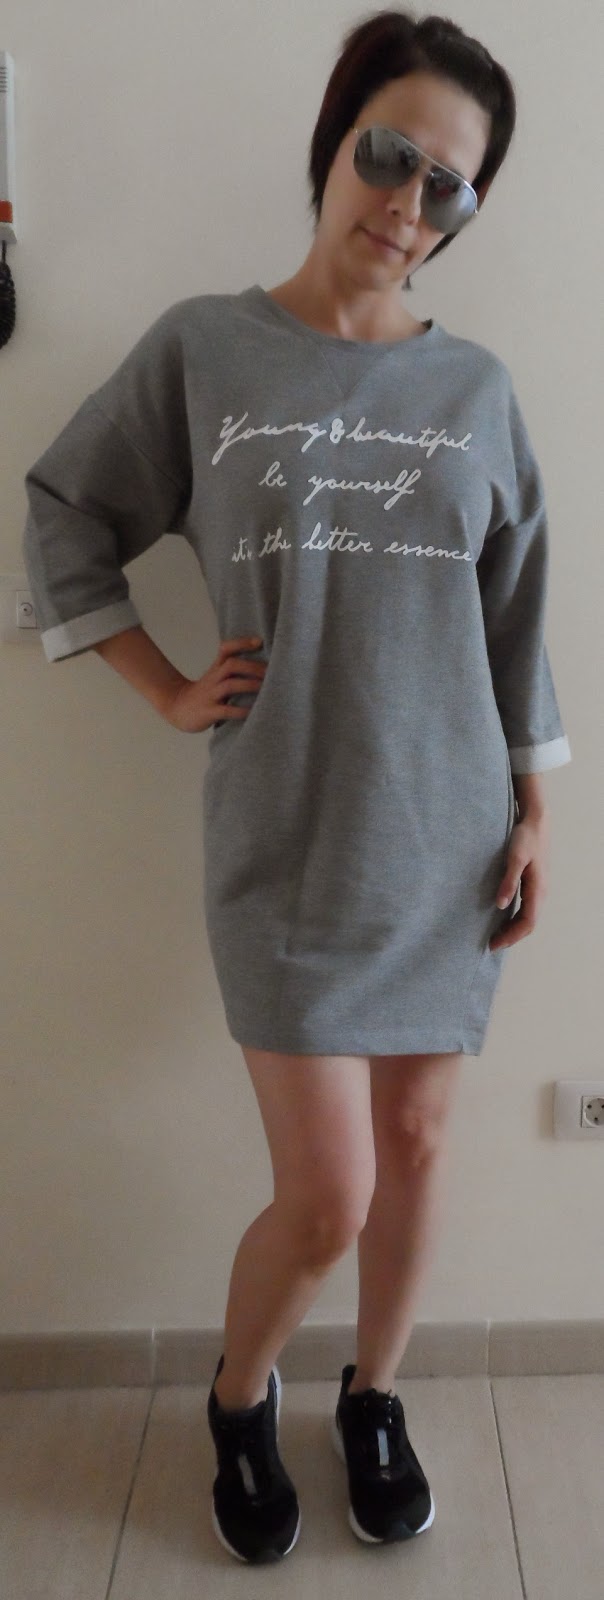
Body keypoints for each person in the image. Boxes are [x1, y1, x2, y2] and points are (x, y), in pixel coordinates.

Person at [22, 7, 572, 1567]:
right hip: (281, 834)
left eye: (449, 184)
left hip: (448, 836)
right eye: (389, 153)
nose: (408, 200)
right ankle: (238, 1393)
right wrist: (161, 684)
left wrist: (539, 806)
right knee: (326, 1194)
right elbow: (65, 509)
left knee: (419, 1153)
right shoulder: (206, 350)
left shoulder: (478, 393)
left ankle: (374, 1397)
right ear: (334, 143)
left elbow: (515, 616)